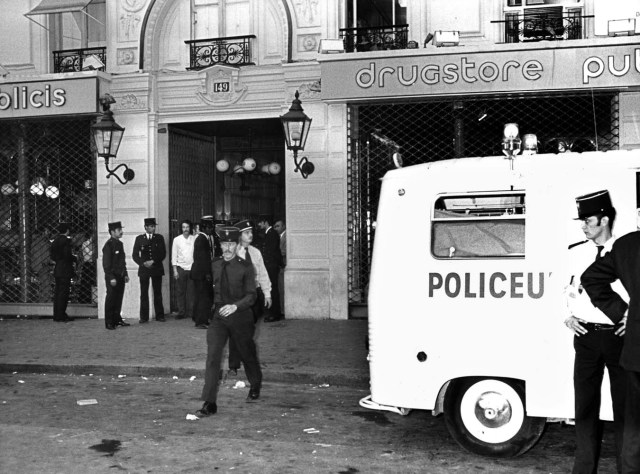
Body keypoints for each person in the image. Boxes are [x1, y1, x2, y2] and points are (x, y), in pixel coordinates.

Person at [564, 190, 626, 474]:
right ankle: (583, 469)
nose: (583, 226)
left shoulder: (627, 251)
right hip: (586, 337)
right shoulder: (577, 253)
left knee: (627, 409)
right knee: (585, 407)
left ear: (604, 219)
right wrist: (566, 316)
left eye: (588, 220)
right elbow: (563, 289)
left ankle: (629, 467)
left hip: (620, 339)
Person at [581, 213, 640, 473]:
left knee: (633, 426)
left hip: (636, 351)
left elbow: (591, 278)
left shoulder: (627, 245)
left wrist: (625, 313)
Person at [195, 226, 261, 418]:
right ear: (220, 244)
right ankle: (209, 402)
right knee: (213, 356)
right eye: (224, 244)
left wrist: (235, 306)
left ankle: (255, 383)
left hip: (241, 317)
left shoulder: (246, 267)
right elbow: (208, 289)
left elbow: (251, 296)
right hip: (219, 318)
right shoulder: (214, 264)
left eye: (231, 244)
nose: (228, 248)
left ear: (237, 244)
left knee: (247, 353)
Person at [227, 219, 272, 375]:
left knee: (250, 331)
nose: (250, 235)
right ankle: (233, 364)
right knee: (235, 331)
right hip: (238, 298)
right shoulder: (232, 252)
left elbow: (263, 274)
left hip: (254, 296)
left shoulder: (255, 252)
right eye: (247, 233)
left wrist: (267, 293)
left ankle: (247, 360)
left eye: (251, 232)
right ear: (239, 236)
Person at [132, 217, 166, 323]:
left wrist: (153, 261)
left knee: (157, 292)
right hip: (144, 269)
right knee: (144, 293)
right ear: (145, 227)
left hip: (156, 268)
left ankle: (159, 315)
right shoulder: (139, 238)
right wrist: (143, 263)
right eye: (151, 226)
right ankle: (144, 317)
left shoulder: (159, 238)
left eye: (154, 226)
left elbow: (163, 253)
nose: (153, 228)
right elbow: (135, 255)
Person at [102, 221, 130, 330]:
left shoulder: (119, 244)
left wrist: (125, 274)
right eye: (119, 230)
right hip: (112, 276)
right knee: (111, 299)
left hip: (120, 276)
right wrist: (111, 277)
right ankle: (109, 322)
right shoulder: (108, 245)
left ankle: (117, 319)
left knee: (118, 298)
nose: (121, 232)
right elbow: (106, 264)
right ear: (112, 232)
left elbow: (122, 262)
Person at [257, 215, 283, 322]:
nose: (259, 225)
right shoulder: (269, 233)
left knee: (272, 289)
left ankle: (274, 313)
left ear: (265, 222)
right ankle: (272, 312)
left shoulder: (271, 234)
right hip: (270, 265)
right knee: (270, 289)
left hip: (271, 266)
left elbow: (271, 252)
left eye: (260, 223)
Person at [191, 215, 214, 329]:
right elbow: (202, 259)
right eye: (209, 227)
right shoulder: (202, 239)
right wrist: (207, 273)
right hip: (201, 274)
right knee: (203, 298)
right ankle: (200, 321)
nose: (211, 230)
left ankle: (198, 317)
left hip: (199, 273)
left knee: (201, 297)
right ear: (204, 228)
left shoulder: (202, 238)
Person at [50, 222, 76, 322]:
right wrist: (74, 258)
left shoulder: (55, 241)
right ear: (67, 230)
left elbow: (53, 256)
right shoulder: (66, 241)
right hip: (65, 269)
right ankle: (61, 315)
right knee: (64, 294)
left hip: (58, 268)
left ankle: (57, 314)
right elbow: (67, 255)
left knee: (57, 293)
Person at [171, 219, 195, 320]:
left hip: (192, 269)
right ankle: (181, 312)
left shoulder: (194, 238)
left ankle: (191, 312)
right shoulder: (177, 240)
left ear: (190, 228)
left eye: (187, 227)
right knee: (180, 292)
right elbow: (174, 255)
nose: (185, 229)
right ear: (181, 228)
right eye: (184, 227)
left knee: (191, 292)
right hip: (180, 268)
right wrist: (175, 270)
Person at [78, 231, 96, 304]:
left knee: (92, 282)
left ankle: (92, 298)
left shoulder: (94, 244)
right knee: (86, 282)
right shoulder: (85, 244)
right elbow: (90, 254)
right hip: (87, 264)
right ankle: (84, 299)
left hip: (92, 264)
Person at [274, 218, 286, 316]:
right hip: (280, 267)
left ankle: (283, 310)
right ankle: (282, 309)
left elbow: (284, 251)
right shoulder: (278, 237)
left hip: (283, 266)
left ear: (283, 226)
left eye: (278, 226)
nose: (276, 228)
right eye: (275, 226)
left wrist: (275, 254)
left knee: (282, 289)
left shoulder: (285, 237)